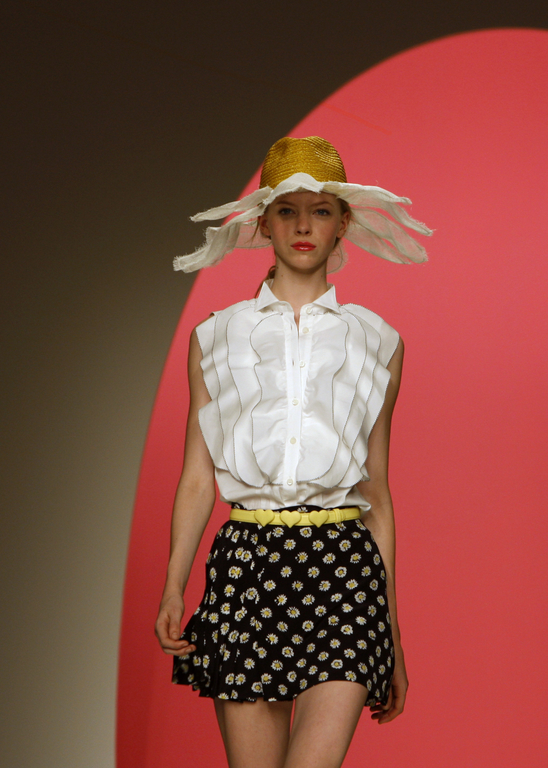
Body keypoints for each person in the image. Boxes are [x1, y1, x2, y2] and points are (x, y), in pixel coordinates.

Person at [154, 136, 430, 768]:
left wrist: (391, 632)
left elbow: (377, 491)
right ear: (262, 223)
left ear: (344, 224)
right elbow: (197, 476)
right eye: (287, 210)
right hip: (248, 565)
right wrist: (173, 585)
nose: (304, 226)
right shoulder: (215, 336)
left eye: (321, 210)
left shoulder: (379, 342)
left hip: (345, 568)